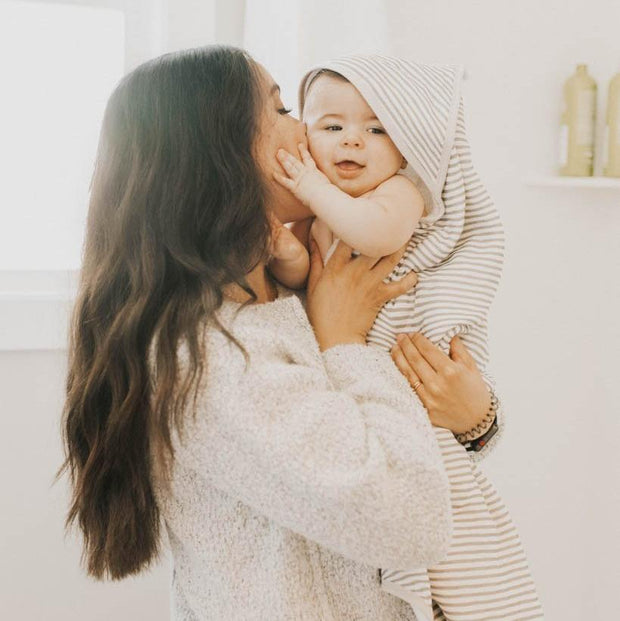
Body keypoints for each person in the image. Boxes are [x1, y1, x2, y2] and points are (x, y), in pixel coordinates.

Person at [58, 46, 506, 621]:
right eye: (281, 110)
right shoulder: (208, 359)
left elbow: (408, 441)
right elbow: (411, 523)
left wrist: (477, 421)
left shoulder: (301, 287)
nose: (309, 130)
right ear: (221, 155)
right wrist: (342, 341)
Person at [269, 56, 544, 620]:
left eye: (378, 129)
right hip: (363, 418)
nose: (353, 141)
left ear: (410, 147)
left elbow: (376, 235)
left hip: (405, 373)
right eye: (331, 126)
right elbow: (308, 281)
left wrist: (312, 189)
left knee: (456, 534)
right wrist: (290, 254)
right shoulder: (315, 210)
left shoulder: (400, 192)